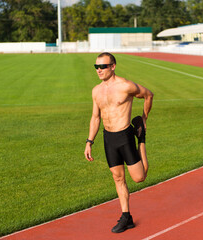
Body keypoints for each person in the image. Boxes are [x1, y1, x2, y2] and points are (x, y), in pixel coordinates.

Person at [84, 52, 154, 233]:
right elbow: (95, 117)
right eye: (96, 67)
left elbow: (148, 95)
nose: (99, 70)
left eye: (103, 67)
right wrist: (89, 141)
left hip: (125, 136)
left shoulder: (126, 86)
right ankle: (126, 217)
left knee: (139, 178)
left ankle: (142, 140)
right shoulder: (96, 91)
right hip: (109, 138)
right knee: (118, 178)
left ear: (113, 66)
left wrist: (144, 119)